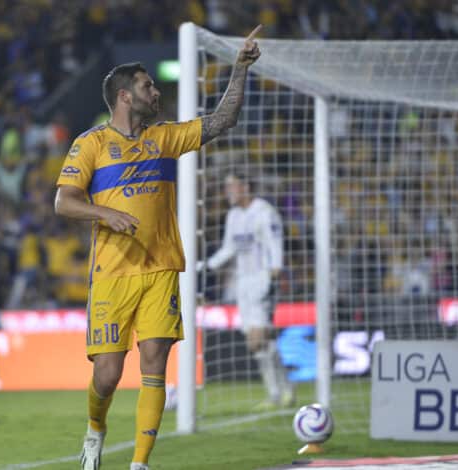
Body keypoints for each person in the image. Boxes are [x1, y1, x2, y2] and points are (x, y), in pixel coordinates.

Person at [54, 26, 263, 470]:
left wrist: (239, 70)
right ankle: (95, 430)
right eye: (148, 85)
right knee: (107, 376)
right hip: (111, 274)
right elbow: (64, 201)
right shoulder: (90, 145)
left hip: (160, 268)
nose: (156, 91)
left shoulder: (164, 137)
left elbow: (222, 121)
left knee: (155, 364)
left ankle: (140, 464)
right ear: (126, 96)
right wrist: (104, 214)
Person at [199, 174, 294, 410]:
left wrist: (275, 273)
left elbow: (275, 243)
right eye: (226, 187)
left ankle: (278, 393)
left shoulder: (264, 212)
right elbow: (229, 248)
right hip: (243, 284)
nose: (228, 191)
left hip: (264, 279)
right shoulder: (233, 216)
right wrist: (206, 266)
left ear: (246, 186)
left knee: (256, 340)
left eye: (232, 186)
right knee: (263, 343)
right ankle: (284, 392)